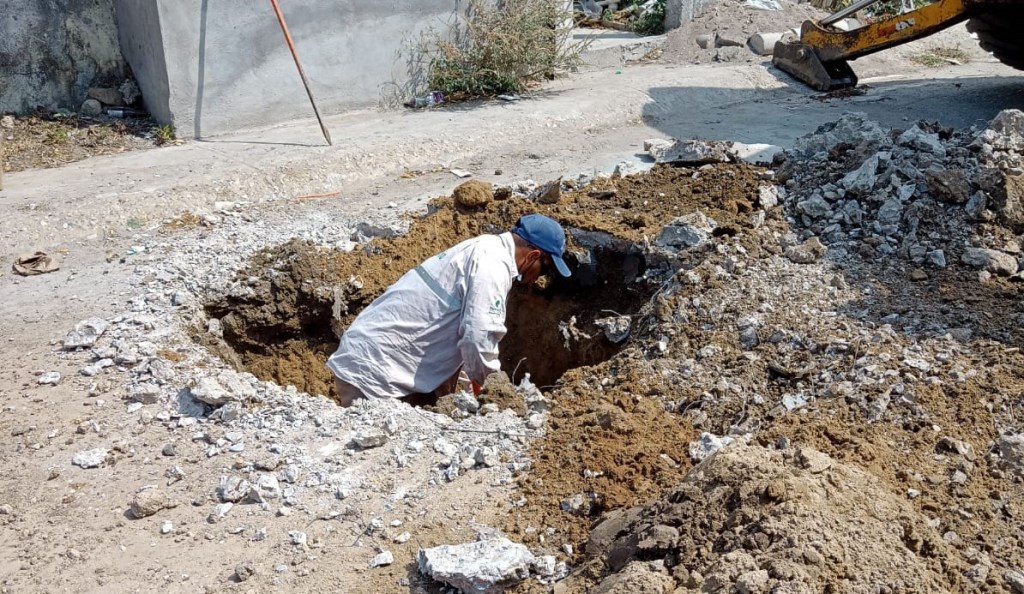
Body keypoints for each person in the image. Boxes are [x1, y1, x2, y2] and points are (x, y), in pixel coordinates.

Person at [327, 213, 572, 407]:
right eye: (545, 269)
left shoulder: (485, 248)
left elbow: (465, 345)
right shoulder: (492, 267)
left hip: (374, 361)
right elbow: (478, 339)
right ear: (533, 256)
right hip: (376, 374)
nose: (540, 277)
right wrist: (499, 393)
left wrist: (469, 392)